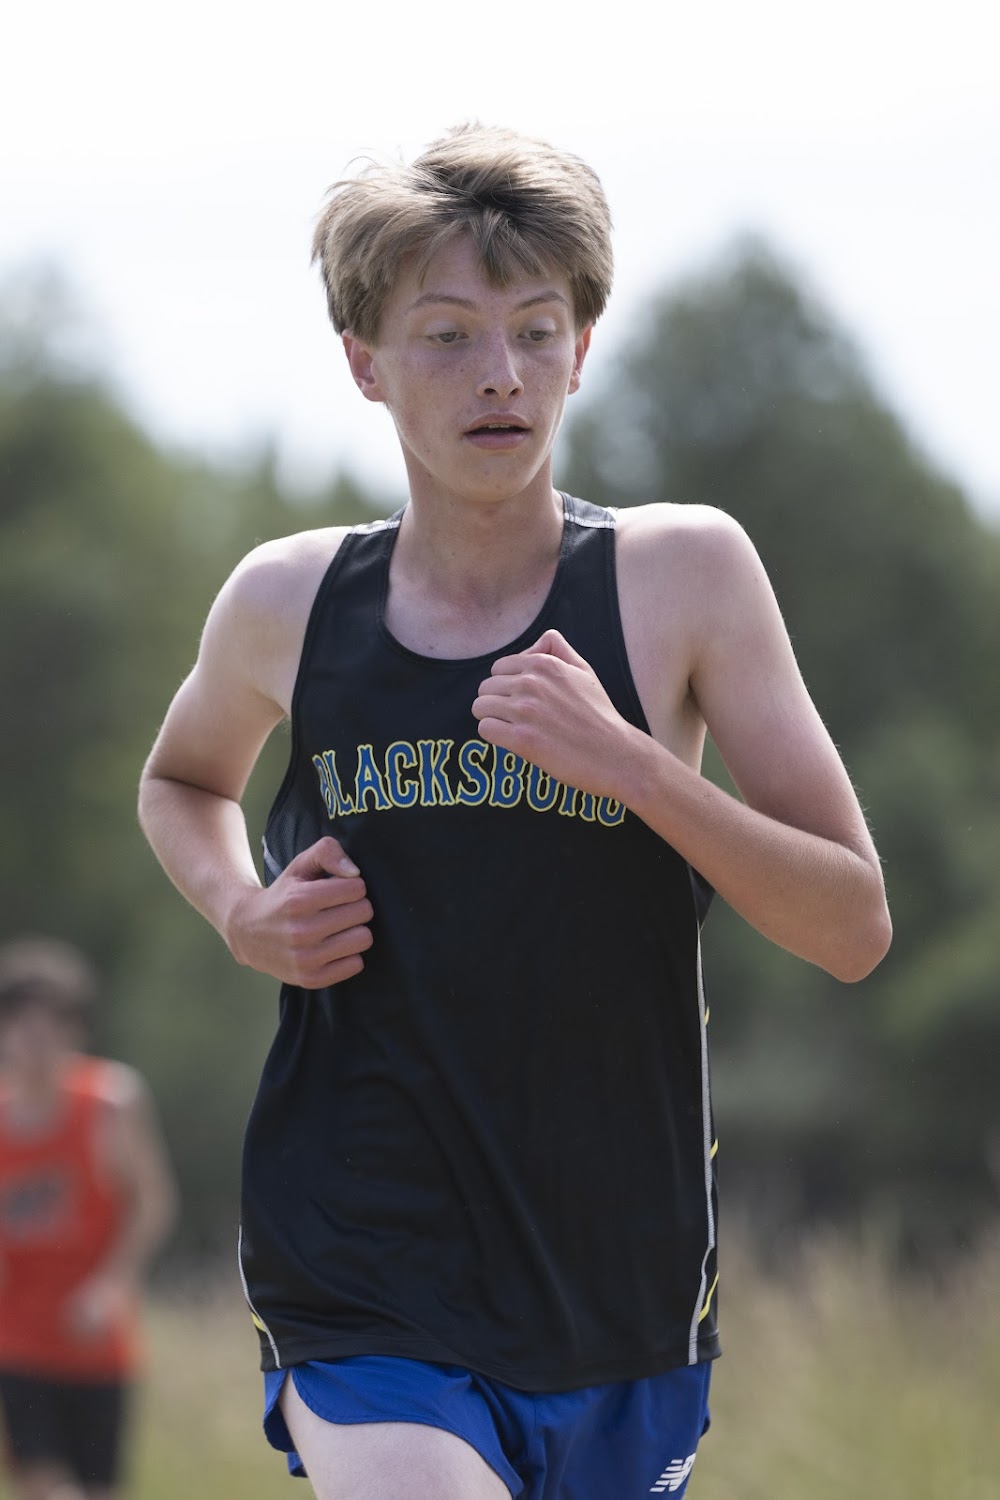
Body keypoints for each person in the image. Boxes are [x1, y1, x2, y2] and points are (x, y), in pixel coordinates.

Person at [137, 124, 891, 1500]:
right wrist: (241, 910)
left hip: (615, 1283)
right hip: (360, 1257)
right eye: (446, 335)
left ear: (581, 350)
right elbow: (181, 780)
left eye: (536, 331)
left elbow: (851, 925)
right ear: (364, 361)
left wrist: (637, 768)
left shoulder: (685, 578)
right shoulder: (288, 602)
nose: (500, 373)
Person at [0, 937, 177, 1500]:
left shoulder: (110, 1104)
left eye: (53, 1027)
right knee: (46, 1489)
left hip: (98, 1345)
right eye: (22, 1026)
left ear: (75, 1031)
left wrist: (113, 1284)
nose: (36, 1043)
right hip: (17, 1342)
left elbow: (153, 1202)